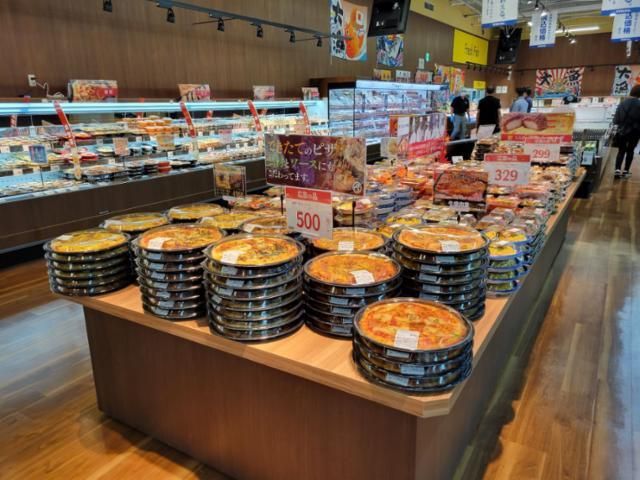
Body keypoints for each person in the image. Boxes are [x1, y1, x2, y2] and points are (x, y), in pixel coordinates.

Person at [613, 84, 640, 179]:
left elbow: (616, 120)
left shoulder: (622, 104)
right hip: (635, 131)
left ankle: (617, 170)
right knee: (630, 150)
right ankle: (626, 171)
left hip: (622, 131)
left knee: (621, 150)